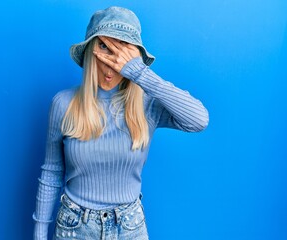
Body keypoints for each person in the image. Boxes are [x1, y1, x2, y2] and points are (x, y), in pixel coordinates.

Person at [32, 6, 209, 240]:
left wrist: (140, 73)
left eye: (121, 55)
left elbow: (198, 120)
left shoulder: (147, 105)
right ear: (89, 53)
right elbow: (52, 172)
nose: (111, 67)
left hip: (129, 228)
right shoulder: (63, 104)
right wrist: (40, 232)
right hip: (74, 228)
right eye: (104, 49)